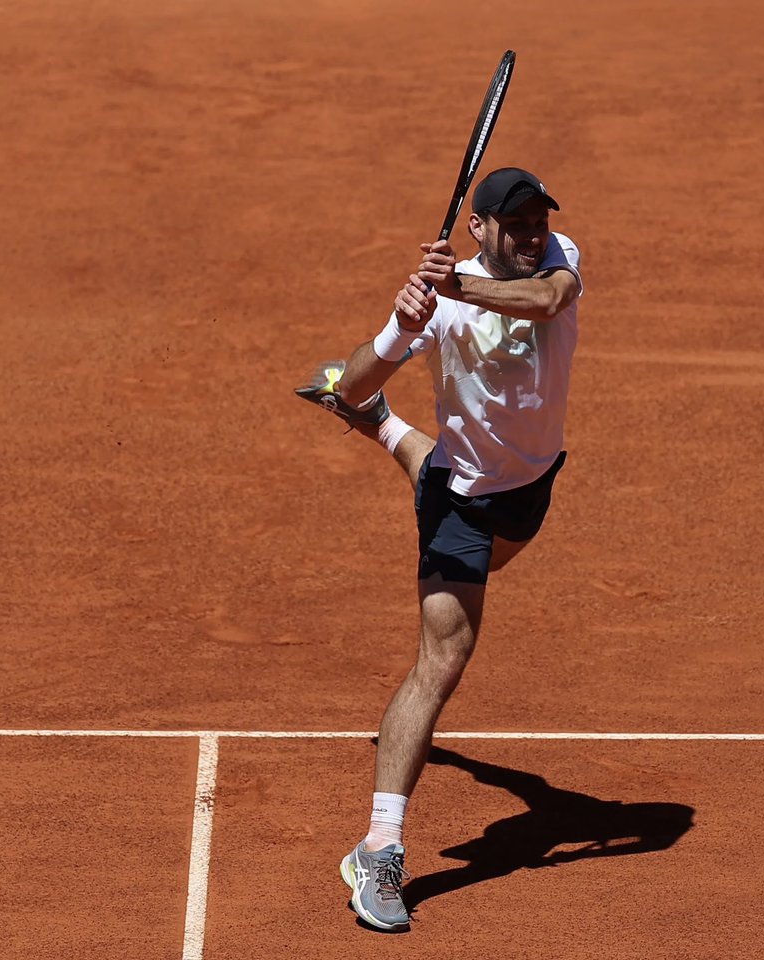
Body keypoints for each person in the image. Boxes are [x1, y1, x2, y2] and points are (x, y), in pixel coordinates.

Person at [295, 167, 583, 932]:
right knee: (444, 656)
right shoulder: (438, 308)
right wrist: (399, 323)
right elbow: (354, 379)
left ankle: (390, 431)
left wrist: (454, 287)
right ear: (479, 229)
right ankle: (381, 851)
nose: (532, 234)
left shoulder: (558, 262)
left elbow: (552, 300)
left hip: (530, 487)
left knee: (438, 479)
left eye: (537, 221)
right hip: (464, 503)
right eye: (514, 224)